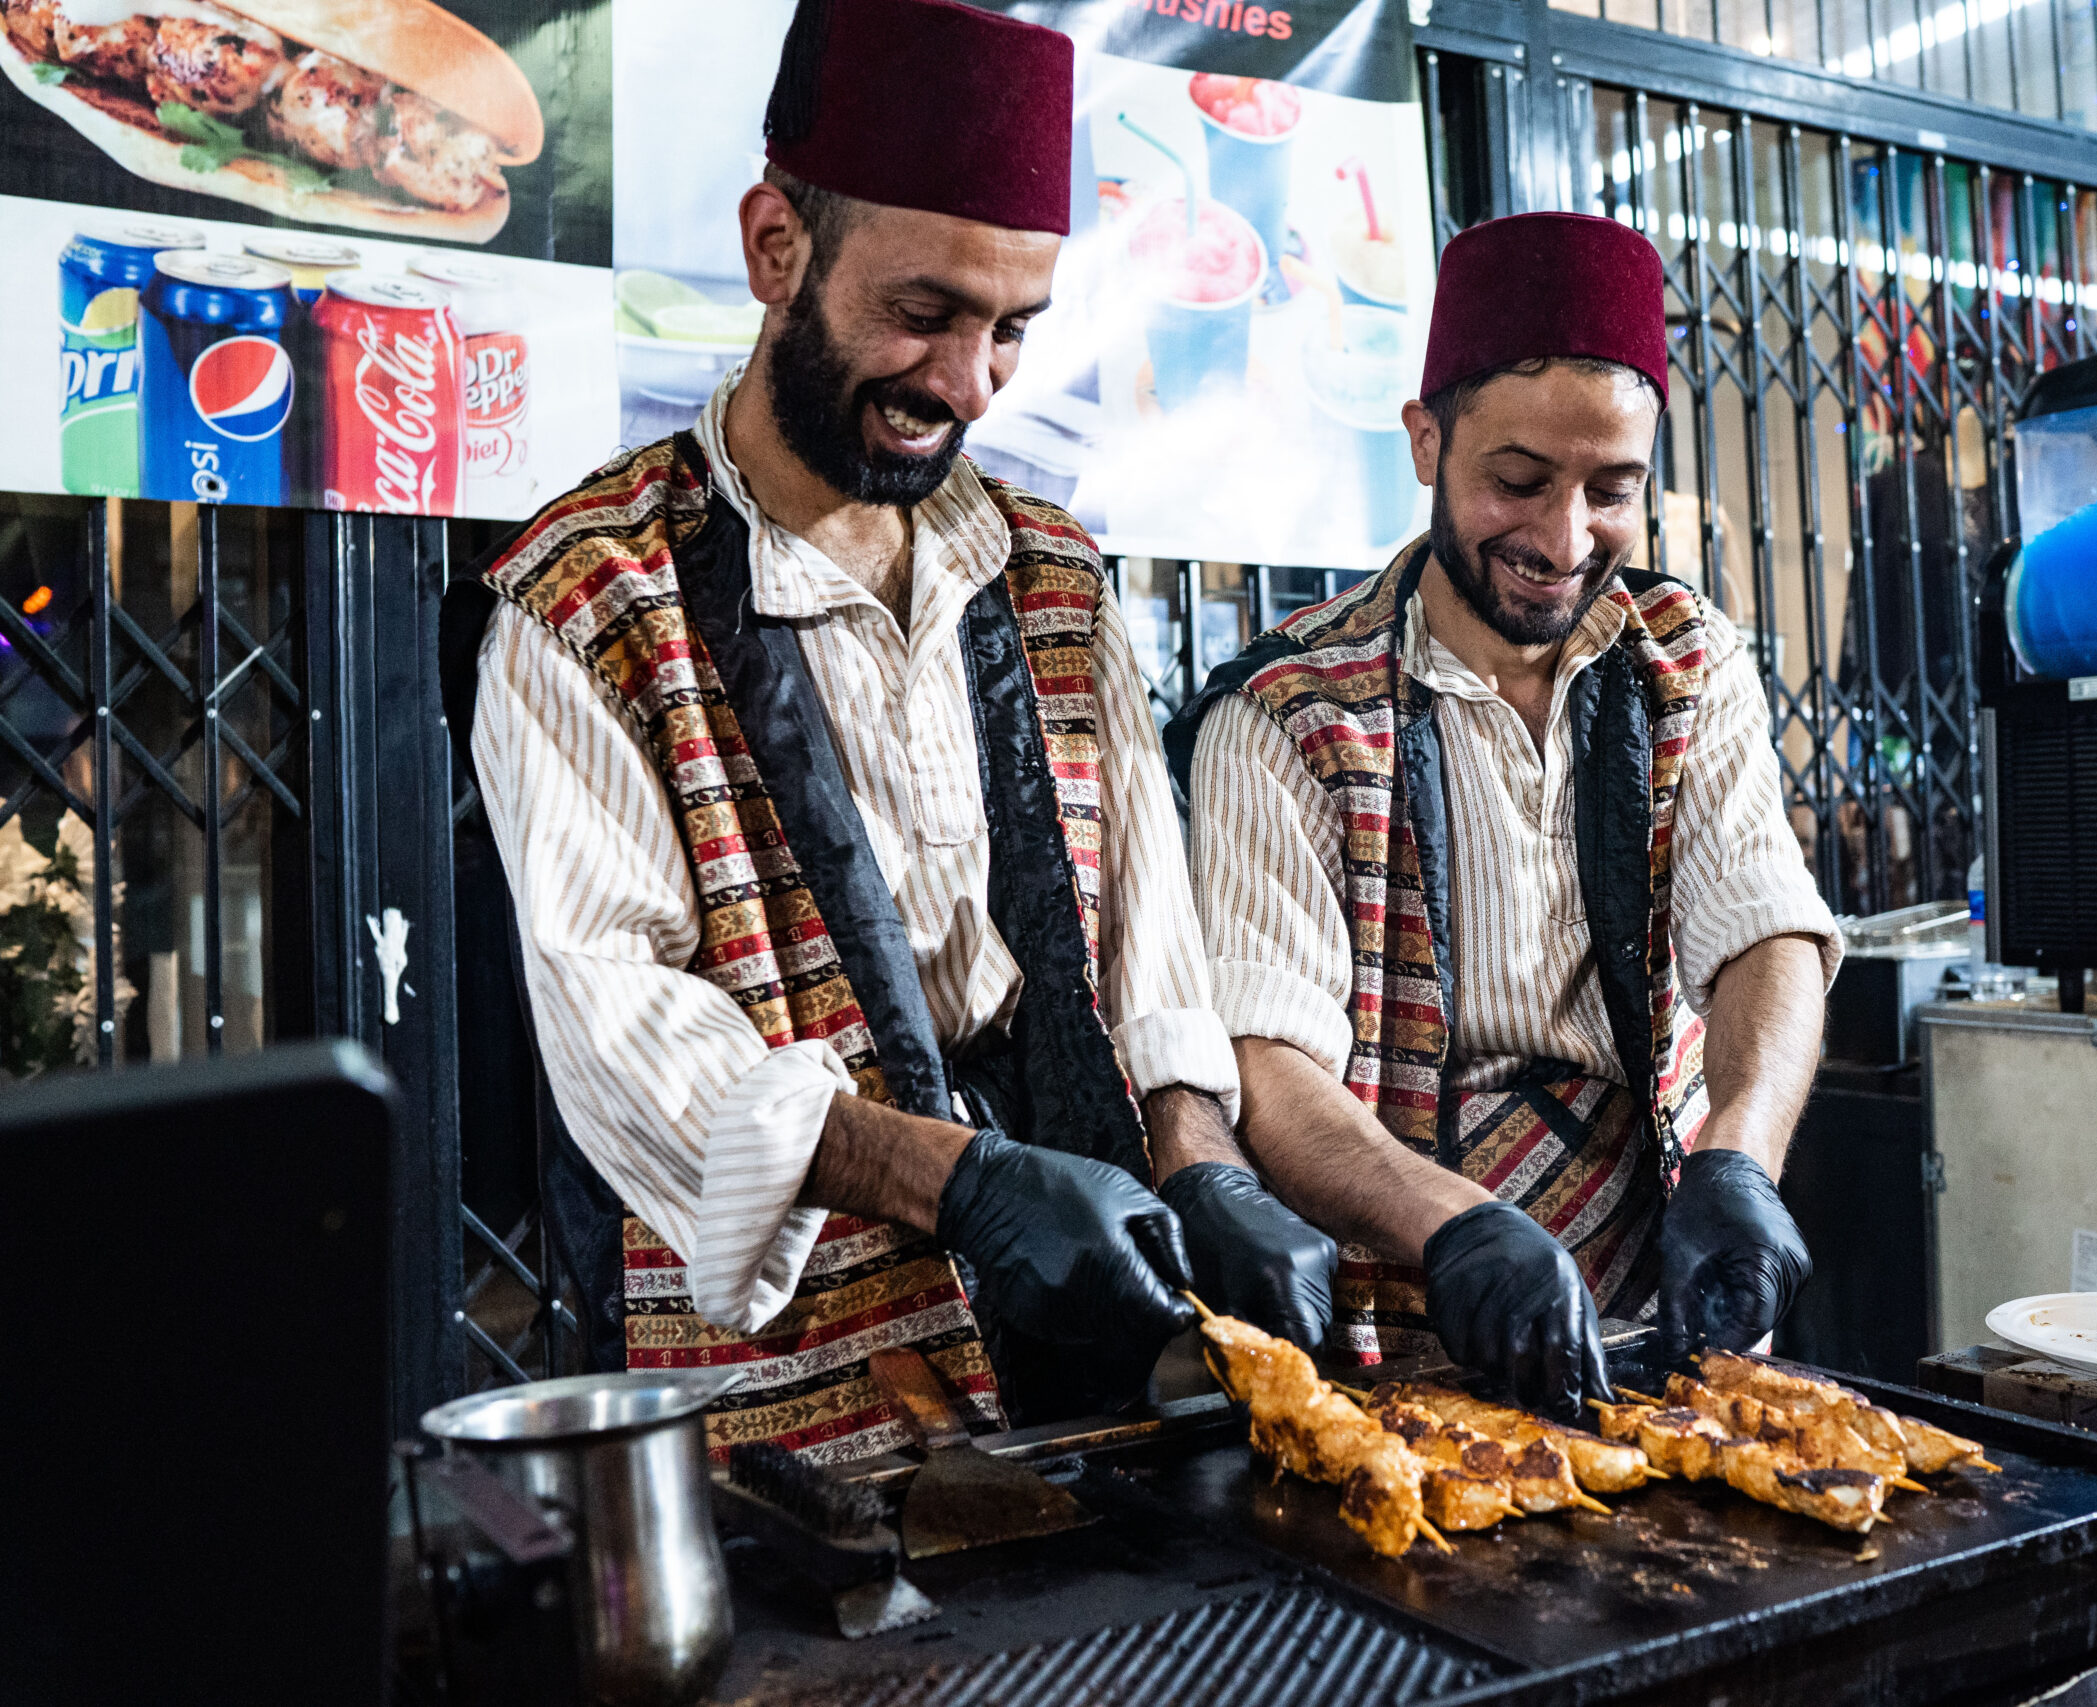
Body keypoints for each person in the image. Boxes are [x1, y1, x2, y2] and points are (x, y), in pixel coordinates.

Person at [442, 0, 1332, 1460]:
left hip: (1090, 1344)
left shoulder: (1051, 573)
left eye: (1012, 331)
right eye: (924, 313)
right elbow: (626, 1038)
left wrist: (1205, 1159)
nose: (968, 384)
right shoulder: (587, 597)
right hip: (802, 1377)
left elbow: (1143, 937)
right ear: (775, 247)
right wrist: (962, 1180)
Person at [1167, 212, 1840, 1420]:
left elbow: (1765, 935)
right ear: (1426, 438)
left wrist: (1738, 1158)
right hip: (1411, 1309)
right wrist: (1460, 1228)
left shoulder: (1684, 657)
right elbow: (1265, 1066)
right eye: (1518, 481)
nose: (1563, 538)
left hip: (1667, 1299)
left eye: (1611, 491)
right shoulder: (1288, 712)